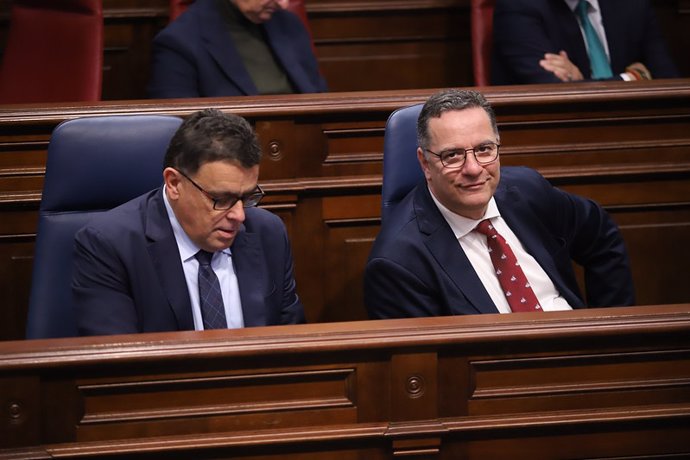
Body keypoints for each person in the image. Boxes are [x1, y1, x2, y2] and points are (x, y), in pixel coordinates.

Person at [364, 89, 635, 319]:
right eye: (453, 155)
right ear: (425, 163)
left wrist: (611, 337)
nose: (473, 168)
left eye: (484, 149)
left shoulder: (527, 190)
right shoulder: (398, 263)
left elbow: (602, 237)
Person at [73, 109, 305, 335]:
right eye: (222, 199)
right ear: (174, 183)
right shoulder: (110, 246)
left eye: (246, 197)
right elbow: (116, 365)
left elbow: (292, 347)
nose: (239, 216)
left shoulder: (269, 234)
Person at [148, 0, 327, 98]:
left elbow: (319, 99)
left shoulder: (289, 24)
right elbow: (179, 135)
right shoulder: (178, 42)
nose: (284, 4)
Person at [491, 0, 679, 85]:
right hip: (561, 136)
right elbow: (552, 90)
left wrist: (580, 82)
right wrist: (634, 78)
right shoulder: (518, 6)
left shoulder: (631, 5)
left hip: (637, 128)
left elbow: (669, 82)